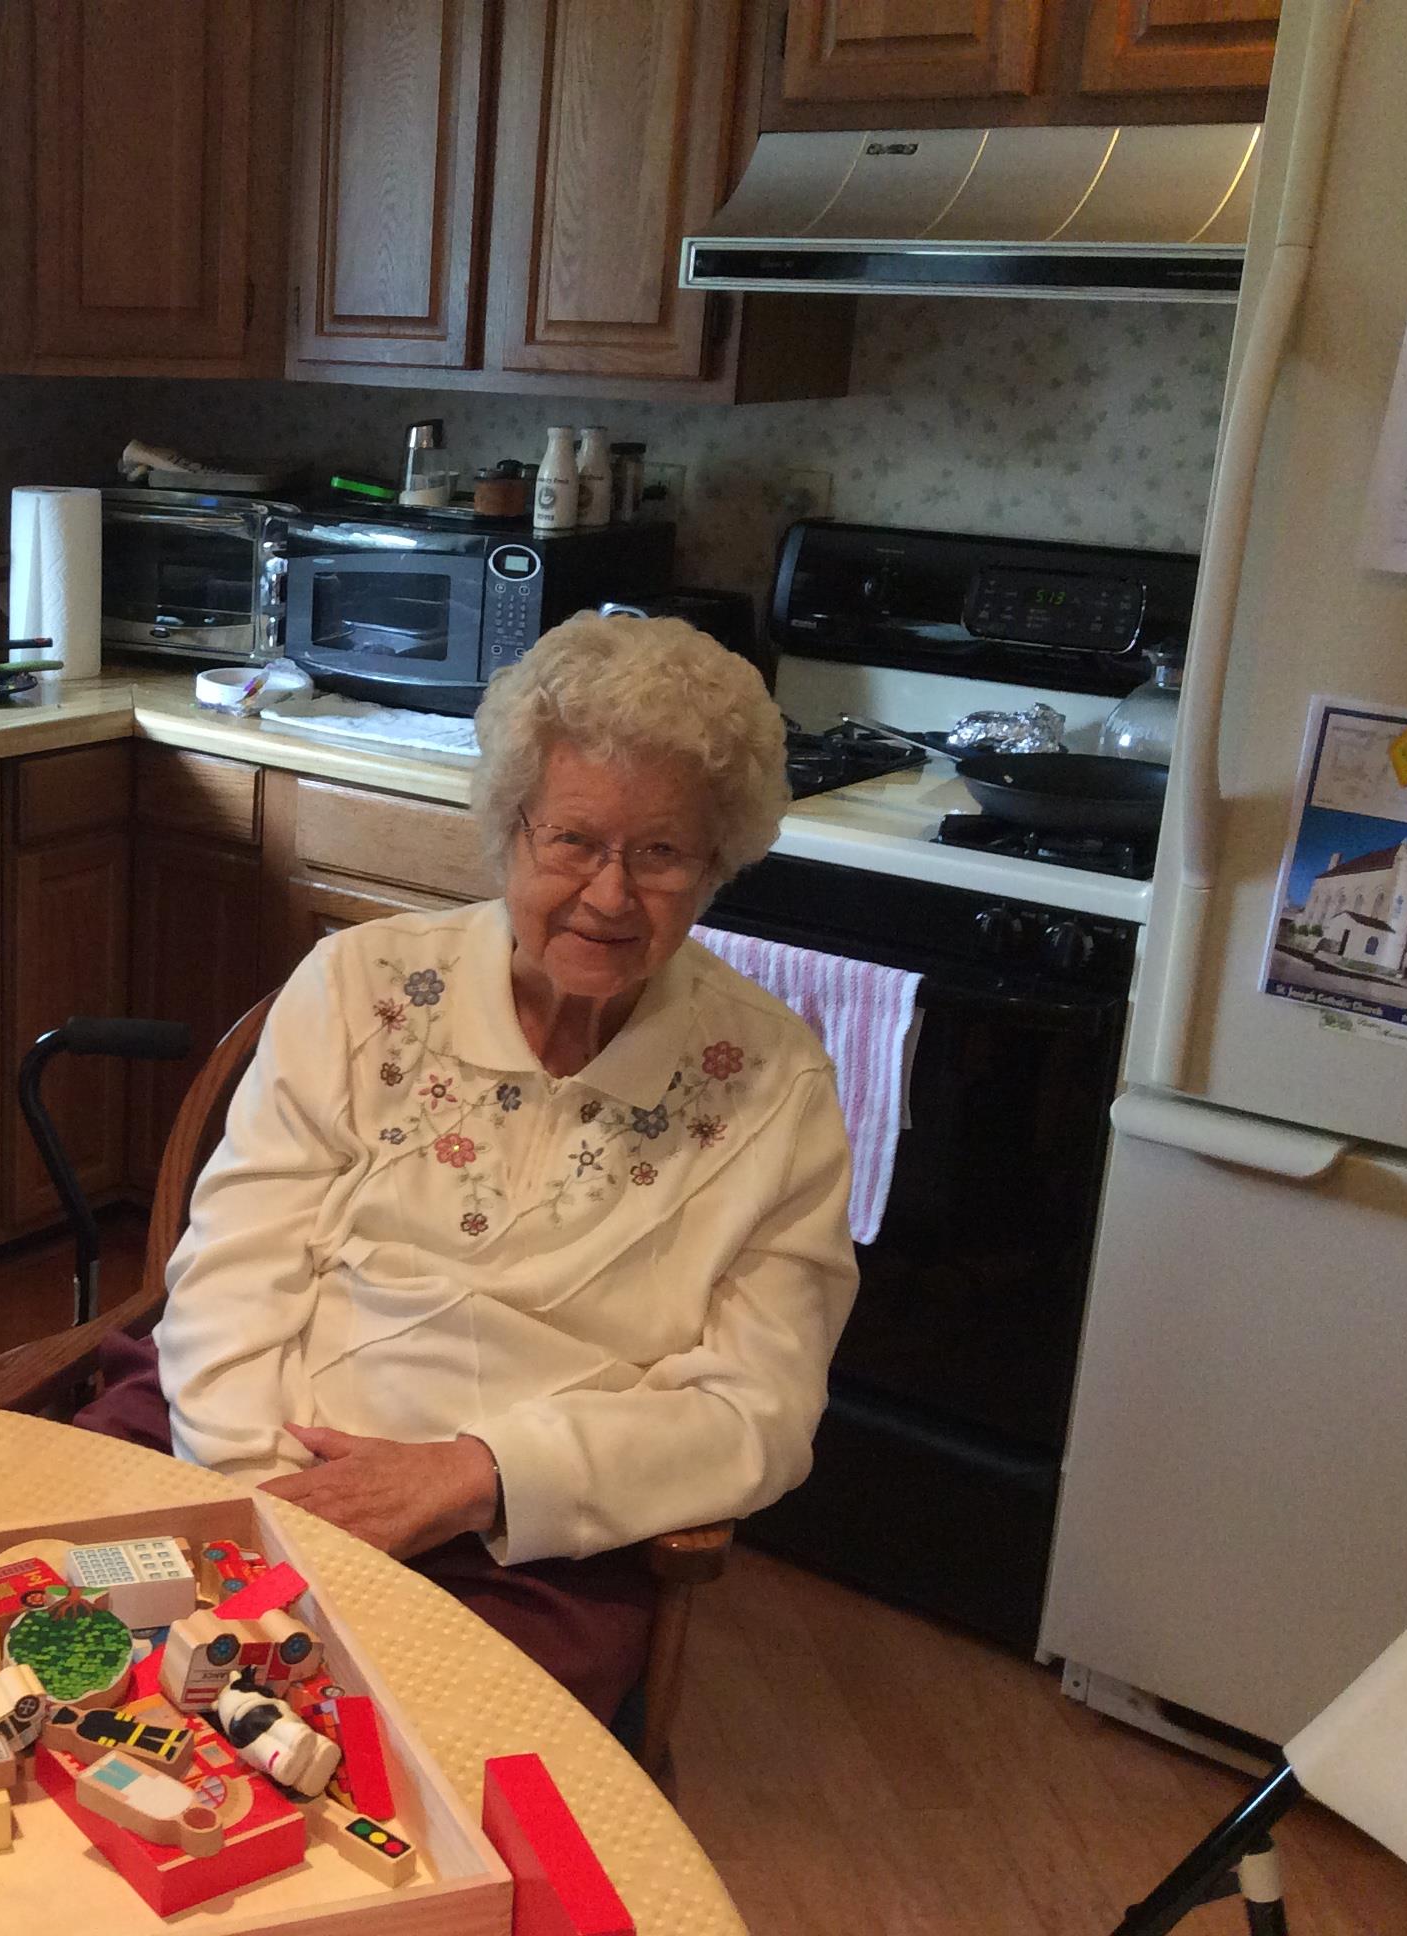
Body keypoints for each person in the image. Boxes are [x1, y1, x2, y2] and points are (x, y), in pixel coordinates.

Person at [105, 613, 859, 1726]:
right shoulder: (359, 983)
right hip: (246, 1450)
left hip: (528, 1539)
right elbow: (233, 1263)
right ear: (509, 829)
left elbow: (761, 1409)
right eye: (572, 840)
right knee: (51, 1658)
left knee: (408, 1784)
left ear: (717, 865)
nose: (610, 895)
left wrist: (477, 1473)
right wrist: (263, 1500)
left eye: (659, 853)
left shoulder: (772, 1082)